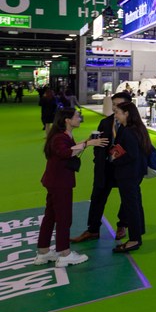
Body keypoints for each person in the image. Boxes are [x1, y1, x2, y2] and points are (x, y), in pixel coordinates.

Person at [33, 108, 108, 267]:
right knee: (64, 218)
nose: (79, 118)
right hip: (60, 182)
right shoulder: (60, 137)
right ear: (67, 120)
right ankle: (64, 253)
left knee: (51, 216)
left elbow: (70, 149)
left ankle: (43, 251)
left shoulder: (62, 135)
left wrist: (87, 141)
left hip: (55, 181)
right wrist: (88, 143)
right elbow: (66, 153)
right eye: (76, 116)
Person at [72, 91, 132, 244]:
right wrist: (98, 158)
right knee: (97, 198)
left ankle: (122, 225)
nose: (115, 108)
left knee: (127, 198)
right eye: (113, 104)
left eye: (118, 104)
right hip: (105, 167)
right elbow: (98, 142)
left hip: (124, 169)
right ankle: (93, 229)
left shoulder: (133, 125)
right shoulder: (105, 122)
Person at [109, 102, 150, 252]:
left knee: (131, 206)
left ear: (126, 113)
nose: (116, 115)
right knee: (135, 203)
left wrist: (115, 159)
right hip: (135, 173)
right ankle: (137, 233)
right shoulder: (137, 129)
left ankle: (134, 239)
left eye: (118, 112)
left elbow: (131, 155)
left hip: (128, 174)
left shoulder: (128, 131)